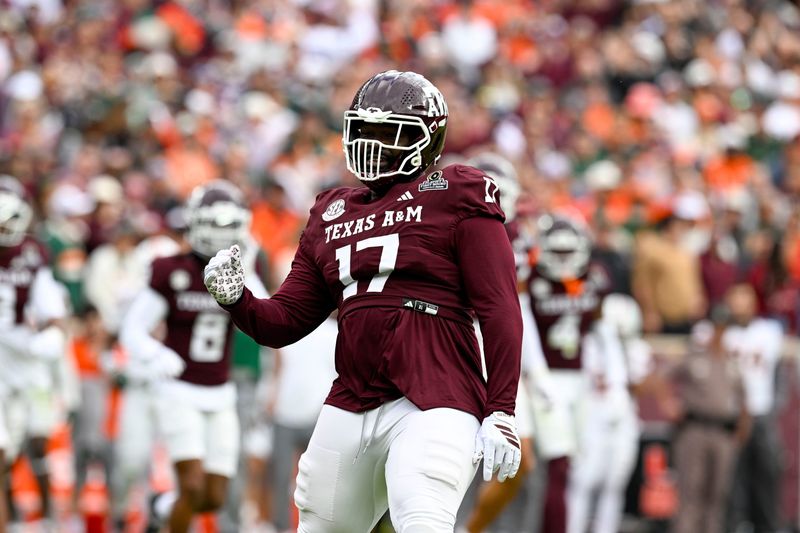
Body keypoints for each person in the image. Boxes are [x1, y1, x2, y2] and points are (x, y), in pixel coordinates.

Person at [203, 70, 524, 533]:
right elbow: (286, 320)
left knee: (422, 515)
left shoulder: (455, 192)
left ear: (427, 138)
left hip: (437, 391)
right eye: (366, 131)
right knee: (319, 525)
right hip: (352, 396)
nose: (374, 144)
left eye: (389, 132)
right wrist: (238, 300)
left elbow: (499, 307)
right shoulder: (332, 211)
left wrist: (502, 408)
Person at [120, 180, 268, 533]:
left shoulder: (238, 269)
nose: (220, 234)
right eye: (214, 224)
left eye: (228, 225)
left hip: (221, 391)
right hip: (178, 390)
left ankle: (162, 506)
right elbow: (132, 329)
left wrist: (246, 263)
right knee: (192, 486)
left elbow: (264, 314)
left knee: (214, 497)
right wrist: (156, 354)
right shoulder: (171, 269)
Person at [525, 212, 608, 533]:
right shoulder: (532, 282)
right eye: (556, 252)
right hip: (547, 380)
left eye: (567, 252)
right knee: (557, 465)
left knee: (576, 466)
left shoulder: (591, 281)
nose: (562, 259)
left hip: (580, 379)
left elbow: (598, 327)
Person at [0, 175, 69, 529]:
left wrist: (49, 336)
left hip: (29, 361)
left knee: (40, 440)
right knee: (4, 450)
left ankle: (47, 516)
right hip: (0, 363)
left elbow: (54, 313)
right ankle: (10, 515)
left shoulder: (33, 252)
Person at [567, 294, 652, 533]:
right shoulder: (589, 344)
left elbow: (637, 385)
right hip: (592, 418)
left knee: (614, 485)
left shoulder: (636, 349)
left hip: (623, 420)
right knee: (583, 482)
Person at [666, 305, 751, 533]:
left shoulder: (733, 362)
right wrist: (669, 404)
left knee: (717, 494)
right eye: (717, 327)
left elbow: (745, 401)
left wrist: (741, 434)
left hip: (723, 433)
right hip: (695, 428)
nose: (720, 333)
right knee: (691, 491)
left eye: (725, 328)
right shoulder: (695, 356)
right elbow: (662, 377)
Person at [723, 283, 784, 533]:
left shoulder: (769, 331)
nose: (739, 304)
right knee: (732, 484)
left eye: (744, 297)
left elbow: (780, 374)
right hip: (732, 417)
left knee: (767, 478)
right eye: (734, 298)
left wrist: (774, 407)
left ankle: (767, 527)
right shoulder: (720, 334)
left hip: (761, 415)